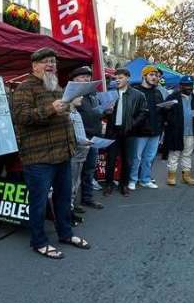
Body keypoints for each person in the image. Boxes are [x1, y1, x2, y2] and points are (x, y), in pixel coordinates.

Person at [12, 48, 89, 259]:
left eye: (54, 62)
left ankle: (65, 234)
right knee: (38, 202)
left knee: (63, 199)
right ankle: (39, 242)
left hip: (62, 154)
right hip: (39, 158)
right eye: (46, 61)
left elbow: (64, 118)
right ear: (34, 65)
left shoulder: (57, 87)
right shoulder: (24, 88)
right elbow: (21, 117)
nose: (51, 65)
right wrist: (51, 109)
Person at [102, 68, 147, 197]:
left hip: (129, 132)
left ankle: (124, 185)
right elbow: (102, 111)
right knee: (110, 160)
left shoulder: (138, 95)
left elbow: (143, 112)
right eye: (116, 78)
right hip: (112, 131)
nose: (117, 80)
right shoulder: (110, 94)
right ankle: (109, 185)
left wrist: (132, 124)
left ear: (128, 78)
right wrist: (106, 111)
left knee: (127, 161)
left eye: (120, 78)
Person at [70, 65, 103, 210]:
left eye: (88, 76)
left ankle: (87, 198)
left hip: (93, 137)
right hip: (80, 139)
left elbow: (95, 112)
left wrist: (104, 111)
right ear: (75, 79)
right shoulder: (71, 93)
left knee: (89, 170)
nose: (86, 78)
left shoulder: (92, 93)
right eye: (83, 76)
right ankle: (71, 203)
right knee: (75, 174)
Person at [129, 65, 166, 189]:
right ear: (144, 76)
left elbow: (160, 110)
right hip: (140, 130)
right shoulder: (135, 90)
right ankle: (132, 179)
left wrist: (166, 108)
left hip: (155, 130)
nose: (154, 77)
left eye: (156, 75)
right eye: (151, 74)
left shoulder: (158, 92)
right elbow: (131, 111)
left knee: (149, 158)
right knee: (136, 158)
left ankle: (145, 179)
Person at [163, 75, 194, 186]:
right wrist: (166, 110)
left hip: (191, 132)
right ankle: (171, 176)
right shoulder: (172, 98)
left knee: (187, 155)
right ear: (181, 86)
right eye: (186, 85)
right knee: (174, 154)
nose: (188, 87)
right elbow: (163, 114)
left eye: (190, 85)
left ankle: (186, 176)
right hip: (176, 132)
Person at [68, 99, 91, 226]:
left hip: (81, 153)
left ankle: (71, 209)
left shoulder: (76, 113)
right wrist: (84, 141)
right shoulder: (68, 114)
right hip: (74, 153)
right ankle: (68, 214)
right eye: (79, 96)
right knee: (71, 183)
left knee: (76, 182)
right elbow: (71, 135)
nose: (82, 98)